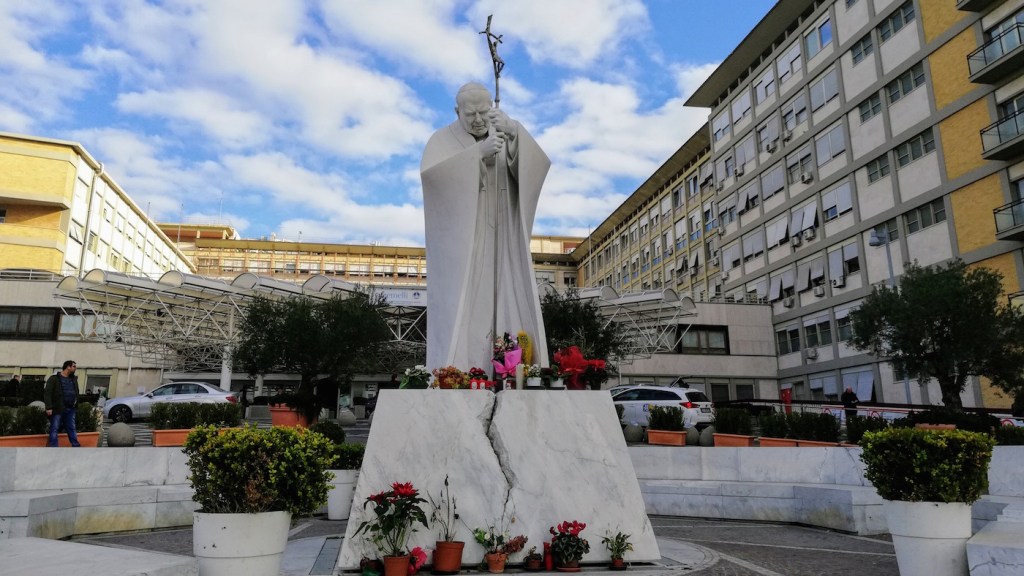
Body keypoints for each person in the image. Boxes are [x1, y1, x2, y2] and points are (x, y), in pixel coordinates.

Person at [420, 82, 550, 372]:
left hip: (504, 235)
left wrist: (514, 131)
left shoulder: (503, 130)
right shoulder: (441, 140)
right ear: (457, 111)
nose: (478, 119)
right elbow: (434, 178)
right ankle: (463, 370)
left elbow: (537, 166)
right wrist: (478, 154)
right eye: (470, 114)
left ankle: (516, 368)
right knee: (470, 304)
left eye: (483, 111)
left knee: (510, 295)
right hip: (469, 239)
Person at [43, 360, 81, 447]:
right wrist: (48, 407)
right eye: (74, 366)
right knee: (54, 428)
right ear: (68, 367)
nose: (75, 368)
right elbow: (48, 393)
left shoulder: (73, 379)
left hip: (71, 408)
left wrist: (76, 404)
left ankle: (76, 446)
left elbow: (76, 392)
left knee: (71, 428)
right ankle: (53, 447)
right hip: (58, 408)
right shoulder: (54, 378)